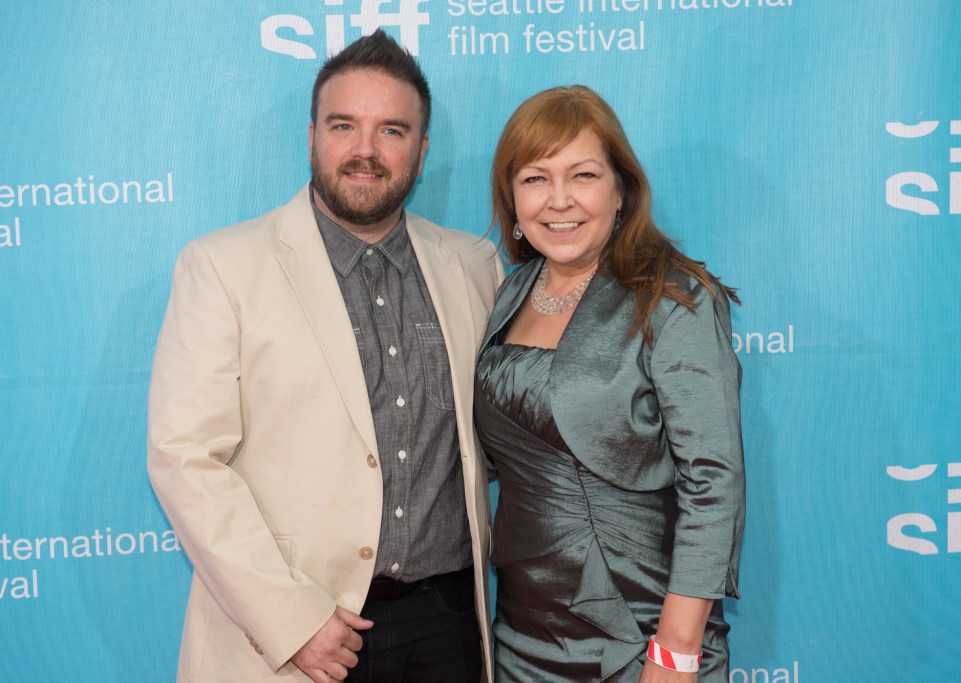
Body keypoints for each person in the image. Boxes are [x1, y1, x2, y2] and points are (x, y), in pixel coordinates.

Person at [148, 30, 502, 683]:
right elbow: (185, 458)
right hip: (299, 637)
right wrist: (293, 619)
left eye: (392, 131)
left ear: (422, 154)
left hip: (449, 624)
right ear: (312, 136)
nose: (365, 150)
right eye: (345, 126)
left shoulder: (475, 266)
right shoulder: (224, 267)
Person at [475, 85, 745, 682]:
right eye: (535, 178)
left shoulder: (671, 298)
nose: (559, 200)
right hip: (522, 635)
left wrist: (675, 649)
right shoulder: (510, 293)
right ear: (512, 198)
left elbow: (713, 482)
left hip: (642, 629)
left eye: (583, 174)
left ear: (621, 189)